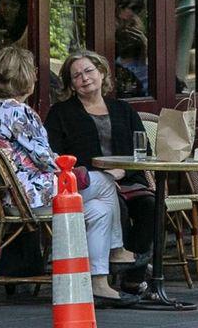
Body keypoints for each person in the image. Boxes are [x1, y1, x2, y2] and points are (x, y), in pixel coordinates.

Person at [0, 46, 130, 304]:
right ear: (25, 76)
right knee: (105, 181)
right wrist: (79, 172)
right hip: (33, 196)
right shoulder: (20, 112)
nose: (36, 76)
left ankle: (98, 281)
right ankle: (117, 250)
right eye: (33, 72)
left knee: (100, 210)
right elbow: (46, 159)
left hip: (10, 198)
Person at [43, 50, 158, 290]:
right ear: (71, 85)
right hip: (88, 184)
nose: (84, 78)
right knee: (118, 207)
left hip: (127, 179)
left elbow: (143, 149)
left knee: (152, 206)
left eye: (88, 71)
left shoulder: (123, 110)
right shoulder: (61, 113)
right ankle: (115, 265)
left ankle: (133, 278)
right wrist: (102, 175)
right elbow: (55, 155)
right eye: (76, 76)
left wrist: (122, 171)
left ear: (102, 73)